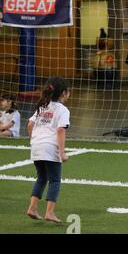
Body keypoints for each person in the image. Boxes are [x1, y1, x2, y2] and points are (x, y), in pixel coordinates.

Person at [26, 77, 71, 223]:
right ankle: (49, 213)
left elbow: (29, 125)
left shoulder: (42, 106)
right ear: (64, 93)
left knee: (41, 178)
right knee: (55, 180)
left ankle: (32, 208)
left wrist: (35, 140)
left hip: (37, 147)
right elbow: (60, 131)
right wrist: (62, 152)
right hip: (51, 148)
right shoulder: (63, 110)